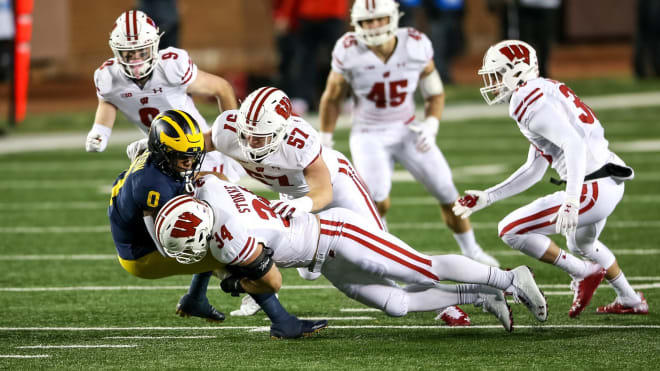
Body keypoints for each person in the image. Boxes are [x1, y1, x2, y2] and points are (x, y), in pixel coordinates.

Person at [155, 177, 551, 333]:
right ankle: (480, 295)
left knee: (422, 269)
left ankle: (511, 279)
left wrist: (232, 281)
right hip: (320, 257)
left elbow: (269, 280)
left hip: (338, 234)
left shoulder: (231, 238)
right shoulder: (206, 190)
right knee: (395, 304)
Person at [453, 40, 649, 317]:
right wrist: (489, 196)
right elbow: (535, 168)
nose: (494, 83)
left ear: (516, 72)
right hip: (609, 181)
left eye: (498, 75)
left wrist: (571, 201)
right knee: (580, 244)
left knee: (510, 230)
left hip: (590, 187)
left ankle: (582, 272)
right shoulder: (546, 87)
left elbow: (574, 145)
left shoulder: (525, 99)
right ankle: (630, 299)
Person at [109, 110, 327, 338]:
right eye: (182, 156)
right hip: (141, 254)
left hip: (138, 220)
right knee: (234, 247)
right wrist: (228, 262)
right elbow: (165, 245)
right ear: (163, 152)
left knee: (213, 207)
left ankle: (195, 298)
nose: (190, 161)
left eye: (193, 154)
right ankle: (282, 321)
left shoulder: (160, 165)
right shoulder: (152, 187)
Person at [318, 0, 499, 268]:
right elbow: (332, 97)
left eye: (378, 19)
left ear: (393, 18)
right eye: (367, 21)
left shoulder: (415, 44)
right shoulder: (348, 49)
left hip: (409, 128)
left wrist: (431, 125)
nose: (373, 26)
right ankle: (385, 253)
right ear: (357, 23)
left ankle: (472, 250)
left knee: (448, 192)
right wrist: (325, 137)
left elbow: (434, 92)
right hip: (369, 133)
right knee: (375, 201)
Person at [85, 10, 243, 182]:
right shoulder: (109, 77)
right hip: (163, 158)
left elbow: (222, 88)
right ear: (117, 52)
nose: (136, 60)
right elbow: (108, 101)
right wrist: (100, 131)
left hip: (202, 152)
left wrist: (232, 133)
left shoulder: (171, 67)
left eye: (142, 52)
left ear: (153, 47)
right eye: (129, 54)